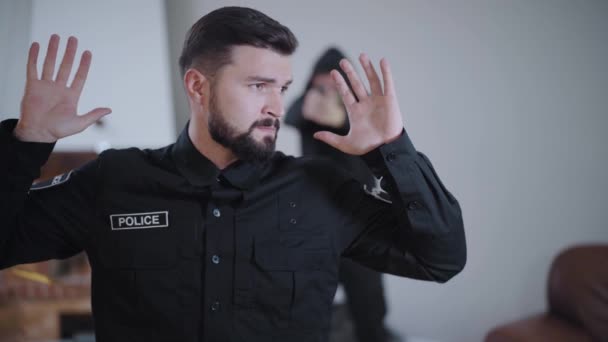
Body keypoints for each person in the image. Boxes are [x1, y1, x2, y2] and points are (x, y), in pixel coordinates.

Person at [0, 6, 466, 342]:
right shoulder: (114, 180)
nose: (278, 107)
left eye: (281, 88)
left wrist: (393, 149)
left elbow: (441, 259)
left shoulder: (319, 189)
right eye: (258, 86)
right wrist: (27, 144)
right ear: (198, 86)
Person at [285, 47, 400, 342]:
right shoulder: (305, 103)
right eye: (320, 83)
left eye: (333, 84)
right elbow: (298, 113)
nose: (326, 90)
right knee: (308, 309)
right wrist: (321, 98)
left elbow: (339, 117)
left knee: (369, 306)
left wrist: (332, 106)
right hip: (315, 223)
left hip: (358, 221)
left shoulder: (359, 109)